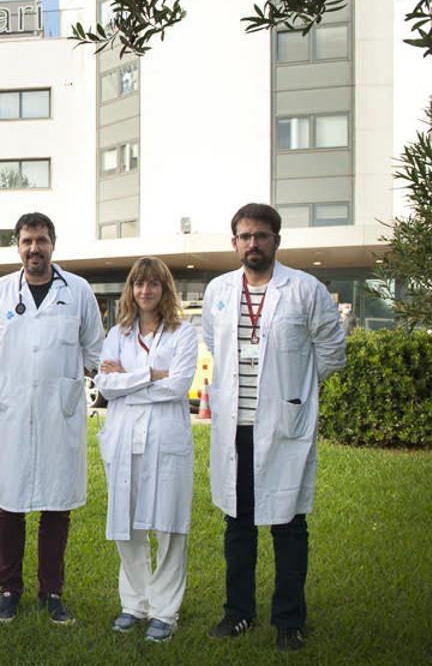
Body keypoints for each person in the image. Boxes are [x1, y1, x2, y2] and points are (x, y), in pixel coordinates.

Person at [202, 203, 345, 652]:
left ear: (276, 241)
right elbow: (214, 342)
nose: (253, 243)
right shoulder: (219, 291)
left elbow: (332, 349)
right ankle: (238, 613)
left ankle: (289, 620)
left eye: (261, 236)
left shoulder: (304, 289)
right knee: (238, 525)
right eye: (245, 236)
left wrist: (293, 390)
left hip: (284, 426)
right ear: (234, 243)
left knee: (288, 526)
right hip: (235, 427)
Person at [0, 212, 103, 625]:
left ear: (53, 244)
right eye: (27, 241)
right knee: (8, 504)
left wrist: (58, 382)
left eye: (41, 240)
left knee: (56, 505)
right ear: (17, 246)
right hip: (13, 414)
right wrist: (16, 386)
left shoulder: (78, 290)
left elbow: (93, 350)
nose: (34, 248)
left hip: (58, 413)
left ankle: (52, 592)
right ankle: (9, 589)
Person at [94, 257, 198, 643]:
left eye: (153, 284)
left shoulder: (183, 334)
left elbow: (178, 386)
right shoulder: (118, 333)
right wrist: (151, 374)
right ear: (131, 290)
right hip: (123, 439)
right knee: (127, 524)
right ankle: (134, 604)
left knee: (169, 526)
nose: (145, 291)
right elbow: (104, 386)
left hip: (165, 438)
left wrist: (128, 380)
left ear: (164, 289)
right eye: (139, 284)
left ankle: (165, 611)